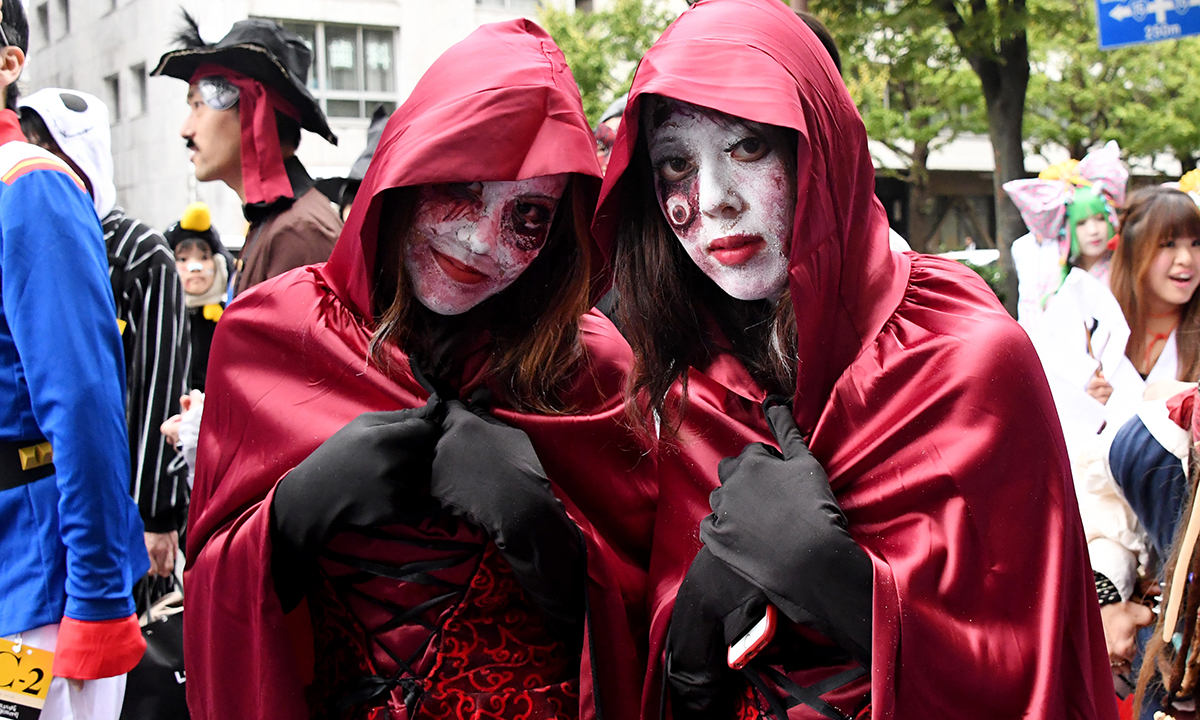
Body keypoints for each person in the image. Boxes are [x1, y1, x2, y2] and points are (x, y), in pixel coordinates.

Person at [591, 0, 1114, 717]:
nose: (711, 200)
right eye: (676, 164)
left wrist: (840, 586)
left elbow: (1037, 669)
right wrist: (692, 631)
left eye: (747, 148)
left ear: (822, 148)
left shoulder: (968, 357)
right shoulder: (690, 385)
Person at [183, 20, 654, 720]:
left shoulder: (593, 371)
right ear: (407, 170)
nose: (480, 239)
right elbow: (214, 611)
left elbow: (648, 633)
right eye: (461, 185)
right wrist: (285, 522)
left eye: (528, 214)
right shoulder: (270, 335)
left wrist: (544, 535)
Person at [0, 2, 147, 718]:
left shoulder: (30, 188)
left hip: (36, 589)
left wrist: (96, 600)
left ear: (9, 63)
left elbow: (86, 405)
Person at [18, 87, 191, 581]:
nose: (42, 166)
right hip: (41, 501)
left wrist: (155, 515)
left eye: (52, 150)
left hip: (120, 505)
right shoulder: (28, 241)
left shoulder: (138, 252)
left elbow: (159, 387)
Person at [1062, 187, 1200, 689]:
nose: (1186, 259)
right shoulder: (1089, 336)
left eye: (1195, 243)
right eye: (1168, 244)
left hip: (1183, 571)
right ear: (1135, 248)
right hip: (1104, 555)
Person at [151, 13, 342, 298]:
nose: (185, 130)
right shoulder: (275, 224)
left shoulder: (299, 232)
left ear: (255, 110)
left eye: (198, 105)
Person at [1009, 143, 1126, 327]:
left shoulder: (1124, 272)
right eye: (1081, 223)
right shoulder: (1054, 273)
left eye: (1100, 219)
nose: (1093, 231)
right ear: (1067, 229)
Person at [164, 202, 232, 392]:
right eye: (183, 259)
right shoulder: (163, 317)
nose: (196, 268)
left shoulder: (227, 318)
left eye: (203, 257)